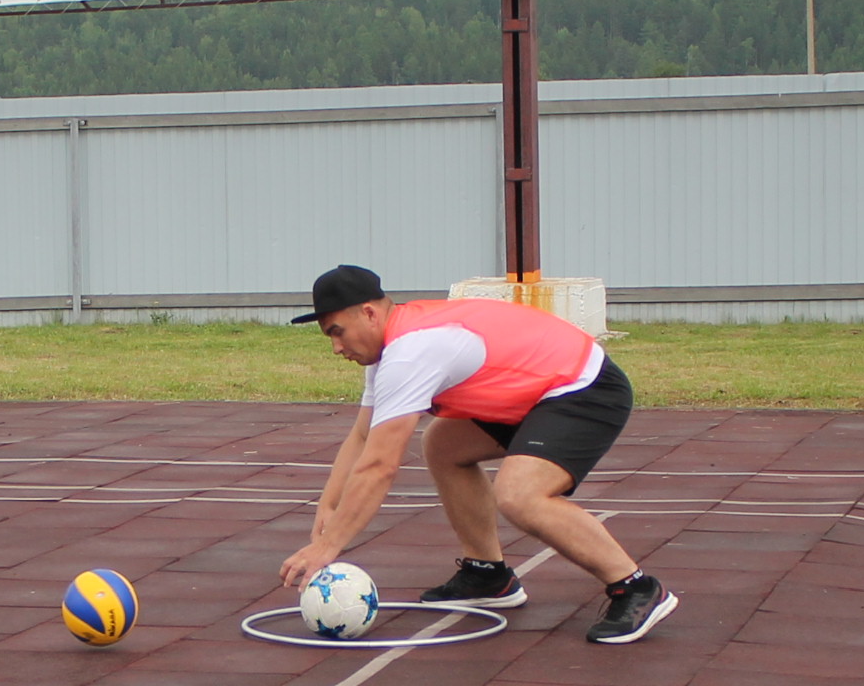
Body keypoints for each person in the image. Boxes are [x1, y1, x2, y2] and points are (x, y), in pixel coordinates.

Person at [279, 264, 676, 644]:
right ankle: (489, 575)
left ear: (368, 313)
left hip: (584, 389)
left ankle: (636, 587)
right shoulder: (389, 351)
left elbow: (380, 465)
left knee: (520, 494)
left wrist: (329, 547)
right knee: (443, 444)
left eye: (337, 332)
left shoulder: (411, 351)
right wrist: (327, 509)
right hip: (532, 392)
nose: (335, 347)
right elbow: (363, 438)